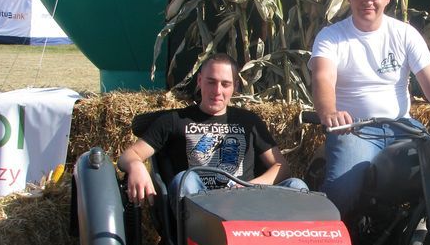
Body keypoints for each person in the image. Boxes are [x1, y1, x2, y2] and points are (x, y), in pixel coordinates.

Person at [309, 0, 430, 216]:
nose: (367, 1)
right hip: (354, 131)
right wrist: (329, 112)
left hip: (403, 128)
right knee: (343, 190)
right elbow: (323, 78)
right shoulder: (331, 36)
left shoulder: (405, 34)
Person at [118, 53, 307, 207]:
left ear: (235, 87)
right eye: (211, 82)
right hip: (199, 203)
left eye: (225, 84)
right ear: (199, 81)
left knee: (297, 186)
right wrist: (136, 166)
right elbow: (129, 155)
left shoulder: (249, 121)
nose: (217, 91)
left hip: (246, 201)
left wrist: (250, 187)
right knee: (187, 178)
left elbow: (282, 168)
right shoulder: (174, 120)